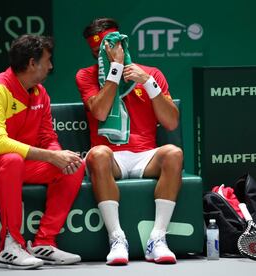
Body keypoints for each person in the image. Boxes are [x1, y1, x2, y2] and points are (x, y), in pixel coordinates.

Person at [0, 34, 85, 269]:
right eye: (48, 60)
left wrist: (59, 156)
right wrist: (51, 156)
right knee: (12, 160)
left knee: (73, 166)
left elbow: (47, 138)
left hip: (15, 164)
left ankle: (44, 242)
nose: (51, 66)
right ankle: (10, 246)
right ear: (32, 63)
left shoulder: (40, 93)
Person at [75, 18, 183, 265]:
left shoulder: (151, 74)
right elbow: (101, 112)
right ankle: (117, 239)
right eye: (96, 52)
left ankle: (157, 238)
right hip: (111, 157)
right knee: (97, 154)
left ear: (121, 44)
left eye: (106, 48)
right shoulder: (86, 76)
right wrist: (115, 69)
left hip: (146, 156)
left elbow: (171, 123)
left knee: (174, 153)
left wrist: (148, 83)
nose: (101, 55)